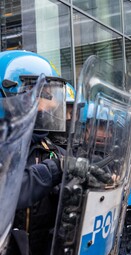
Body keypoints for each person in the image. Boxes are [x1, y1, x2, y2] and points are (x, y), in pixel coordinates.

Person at [0, 50, 67, 255]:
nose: (53, 104)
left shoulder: (51, 148)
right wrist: (55, 170)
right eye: (43, 95)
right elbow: (7, 191)